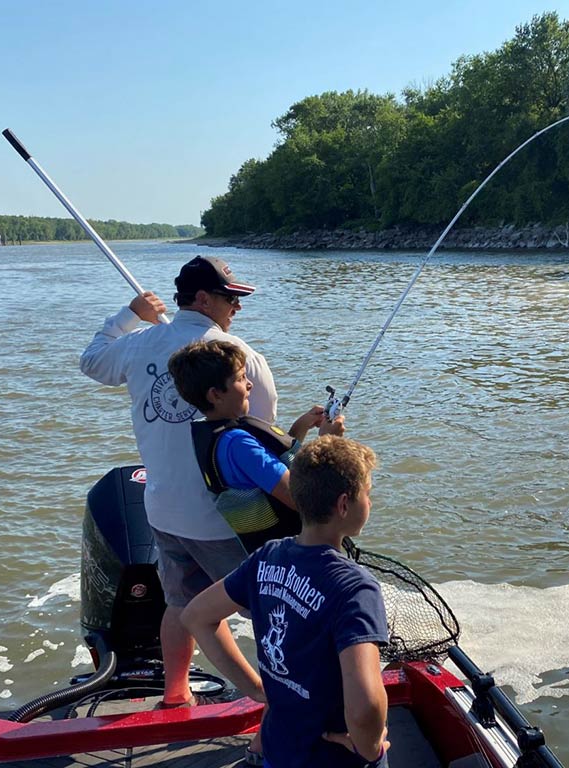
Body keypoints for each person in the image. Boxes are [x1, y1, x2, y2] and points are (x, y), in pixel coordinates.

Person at [79, 255, 278, 709]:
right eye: (231, 299)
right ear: (204, 299)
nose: (237, 309)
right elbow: (265, 433)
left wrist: (130, 316)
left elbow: (92, 361)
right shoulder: (242, 356)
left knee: (180, 602)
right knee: (269, 610)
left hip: (163, 510)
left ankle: (175, 694)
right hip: (223, 518)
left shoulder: (141, 342)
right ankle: (275, 697)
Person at [182, 436, 390, 768]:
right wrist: (371, 748)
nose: (371, 502)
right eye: (368, 494)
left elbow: (196, 616)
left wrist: (258, 689)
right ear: (344, 505)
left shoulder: (268, 557)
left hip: (279, 748)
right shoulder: (355, 588)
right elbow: (365, 706)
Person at [167, 339, 336, 552]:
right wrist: (329, 442)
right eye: (240, 378)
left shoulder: (214, 435)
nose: (250, 384)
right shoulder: (239, 445)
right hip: (296, 555)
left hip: (267, 557)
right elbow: (304, 500)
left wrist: (301, 426)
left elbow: (272, 467)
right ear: (215, 395)